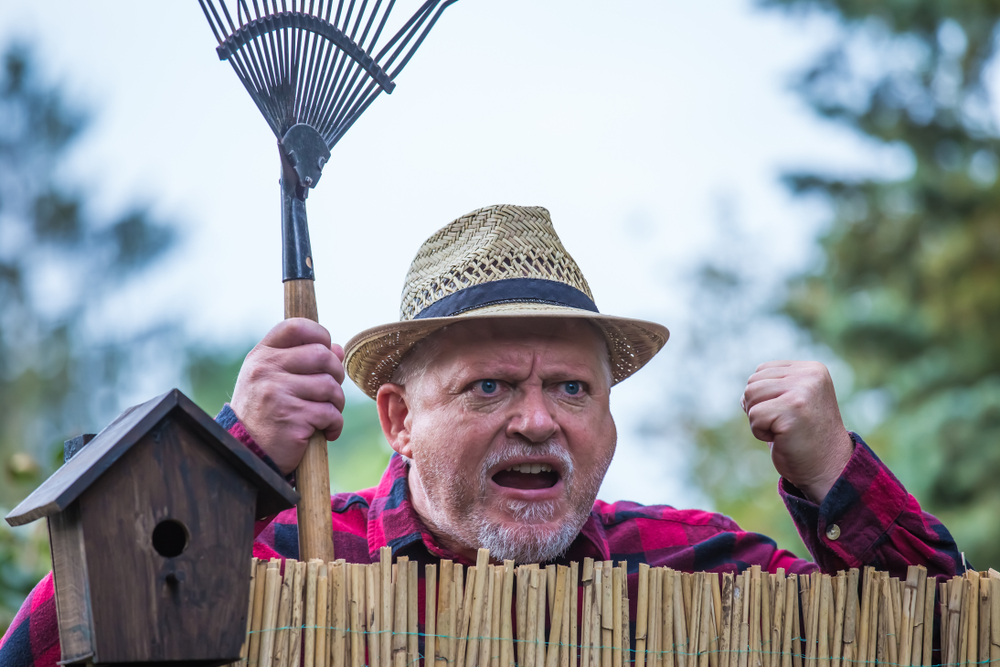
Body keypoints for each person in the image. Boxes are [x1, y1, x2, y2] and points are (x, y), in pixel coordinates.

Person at [0, 204, 961, 666]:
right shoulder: (280, 562)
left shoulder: (681, 571)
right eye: (491, 385)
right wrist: (233, 461)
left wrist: (832, 469)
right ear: (399, 420)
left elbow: (941, 635)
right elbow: (37, 654)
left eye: (572, 388)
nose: (537, 418)